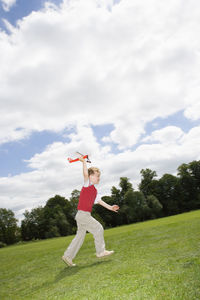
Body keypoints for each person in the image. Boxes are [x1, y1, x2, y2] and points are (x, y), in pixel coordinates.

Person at [62, 156, 119, 267]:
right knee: (98, 228)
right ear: (91, 176)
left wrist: (110, 207)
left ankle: (68, 256)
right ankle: (100, 252)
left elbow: (99, 201)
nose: (99, 178)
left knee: (80, 236)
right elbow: (85, 174)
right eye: (97, 176)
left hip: (81, 215)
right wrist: (83, 162)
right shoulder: (87, 185)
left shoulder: (94, 190)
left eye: (99, 176)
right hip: (83, 215)